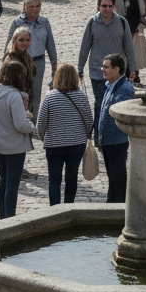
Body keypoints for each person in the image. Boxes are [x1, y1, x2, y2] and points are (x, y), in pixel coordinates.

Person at [0, 58, 36, 219]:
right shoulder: (14, 96)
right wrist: (31, 126)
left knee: (3, 180)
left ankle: (2, 217)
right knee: (12, 184)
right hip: (14, 146)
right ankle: (10, 219)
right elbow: (20, 125)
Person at [37, 63, 94, 205]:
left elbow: (41, 124)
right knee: (71, 177)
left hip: (54, 144)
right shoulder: (81, 96)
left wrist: (45, 138)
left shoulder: (50, 97)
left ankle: (55, 210)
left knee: (54, 179)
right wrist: (84, 134)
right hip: (77, 144)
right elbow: (89, 121)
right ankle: (69, 206)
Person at [78, 0, 136, 121]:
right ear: (98, 6)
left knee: (117, 105)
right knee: (100, 104)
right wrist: (80, 68)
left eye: (110, 6)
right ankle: (99, 132)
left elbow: (129, 48)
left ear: (114, 6)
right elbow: (85, 47)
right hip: (98, 71)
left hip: (117, 72)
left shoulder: (122, 22)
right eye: (104, 6)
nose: (107, 9)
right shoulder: (92, 22)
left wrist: (133, 68)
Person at [5, 0, 58, 118]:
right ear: (25, 7)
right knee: (21, 93)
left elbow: (50, 45)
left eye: (37, 6)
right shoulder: (17, 22)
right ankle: (20, 120)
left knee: (36, 95)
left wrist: (54, 66)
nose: (35, 9)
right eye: (31, 6)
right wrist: (6, 65)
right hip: (20, 62)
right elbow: (9, 44)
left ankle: (33, 122)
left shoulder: (44, 22)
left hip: (39, 62)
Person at [95, 54, 134, 203]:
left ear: (116, 69)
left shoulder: (124, 89)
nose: (102, 69)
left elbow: (121, 116)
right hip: (108, 140)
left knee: (118, 179)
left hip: (116, 141)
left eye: (106, 67)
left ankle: (120, 208)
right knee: (113, 178)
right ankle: (112, 207)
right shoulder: (111, 85)